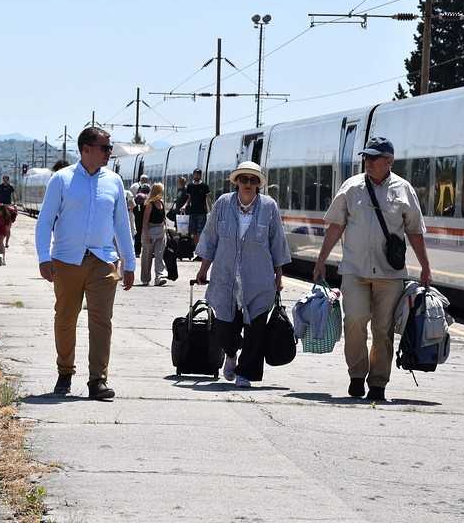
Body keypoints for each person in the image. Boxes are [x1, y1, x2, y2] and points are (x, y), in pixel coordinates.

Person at [313, 137, 431, 402]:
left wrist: (425, 265)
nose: (369, 161)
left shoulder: (404, 189)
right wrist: (321, 260)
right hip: (355, 269)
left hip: (391, 274)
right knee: (354, 321)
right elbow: (335, 226)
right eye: (366, 157)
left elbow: (414, 231)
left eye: (374, 157)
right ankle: (356, 375)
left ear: (389, 161)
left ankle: (378, 383)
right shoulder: (351, 187)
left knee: (383, 330)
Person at [35, 127, 135, 400]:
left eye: (109, 148)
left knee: (102, 321)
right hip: (67, 260)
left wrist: (129, 262)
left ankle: (97, 380)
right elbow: (45, 221)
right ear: (86, 149)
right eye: (105, 148)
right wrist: (43, 257)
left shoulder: (114, 181)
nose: (109, 153)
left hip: (103, 260)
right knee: (65, 319)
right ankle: (65, 372)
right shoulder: (62, 180)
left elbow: (121, 225)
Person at [195, 161, 291, 388]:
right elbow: (210, 239)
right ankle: (230, 353)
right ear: (236, 181)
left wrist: (279, 276)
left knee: (256, 329)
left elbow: (277, 242)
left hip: (259, 279)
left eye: (253, 180)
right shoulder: (222, 204)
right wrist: (202, 269)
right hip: (225, 277)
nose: (248, 184)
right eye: (244, 179)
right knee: (224, 328)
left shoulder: (269, 206)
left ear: (259, 184)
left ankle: (245, 372)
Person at [140, 182, 168, 286]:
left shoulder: (161, 203)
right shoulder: (149, 205)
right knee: (146, 257)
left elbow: (163, 218)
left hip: (161, 233)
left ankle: (159, 277)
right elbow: (145, 222)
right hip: (150, 233)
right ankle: (145, 279)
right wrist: (146, 235)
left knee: (159, 255)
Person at [182, 168, 211, 252]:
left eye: (198, 174)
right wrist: (185, 206)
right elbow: (189, 198)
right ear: (193, 175)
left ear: (200, 175)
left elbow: (208, 199)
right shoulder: (190, 186)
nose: (196, 176)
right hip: (193, 212)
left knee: (200, 232)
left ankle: (200, 250)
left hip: (202, 212)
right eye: (195, 174)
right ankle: (197, 250)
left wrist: (211, 210)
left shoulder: (204, 186)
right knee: (193, 232)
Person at [0, 175, 16, 247]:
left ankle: (7, 242)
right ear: (2, 180)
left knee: (8, 227)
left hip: (8, 205)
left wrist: (14, 203)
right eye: (4, 179)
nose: (5, 181)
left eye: (6, 179)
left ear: (8, 180)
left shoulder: (10, 187)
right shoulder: (0, 187)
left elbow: (13, 195)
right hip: (1, 205)